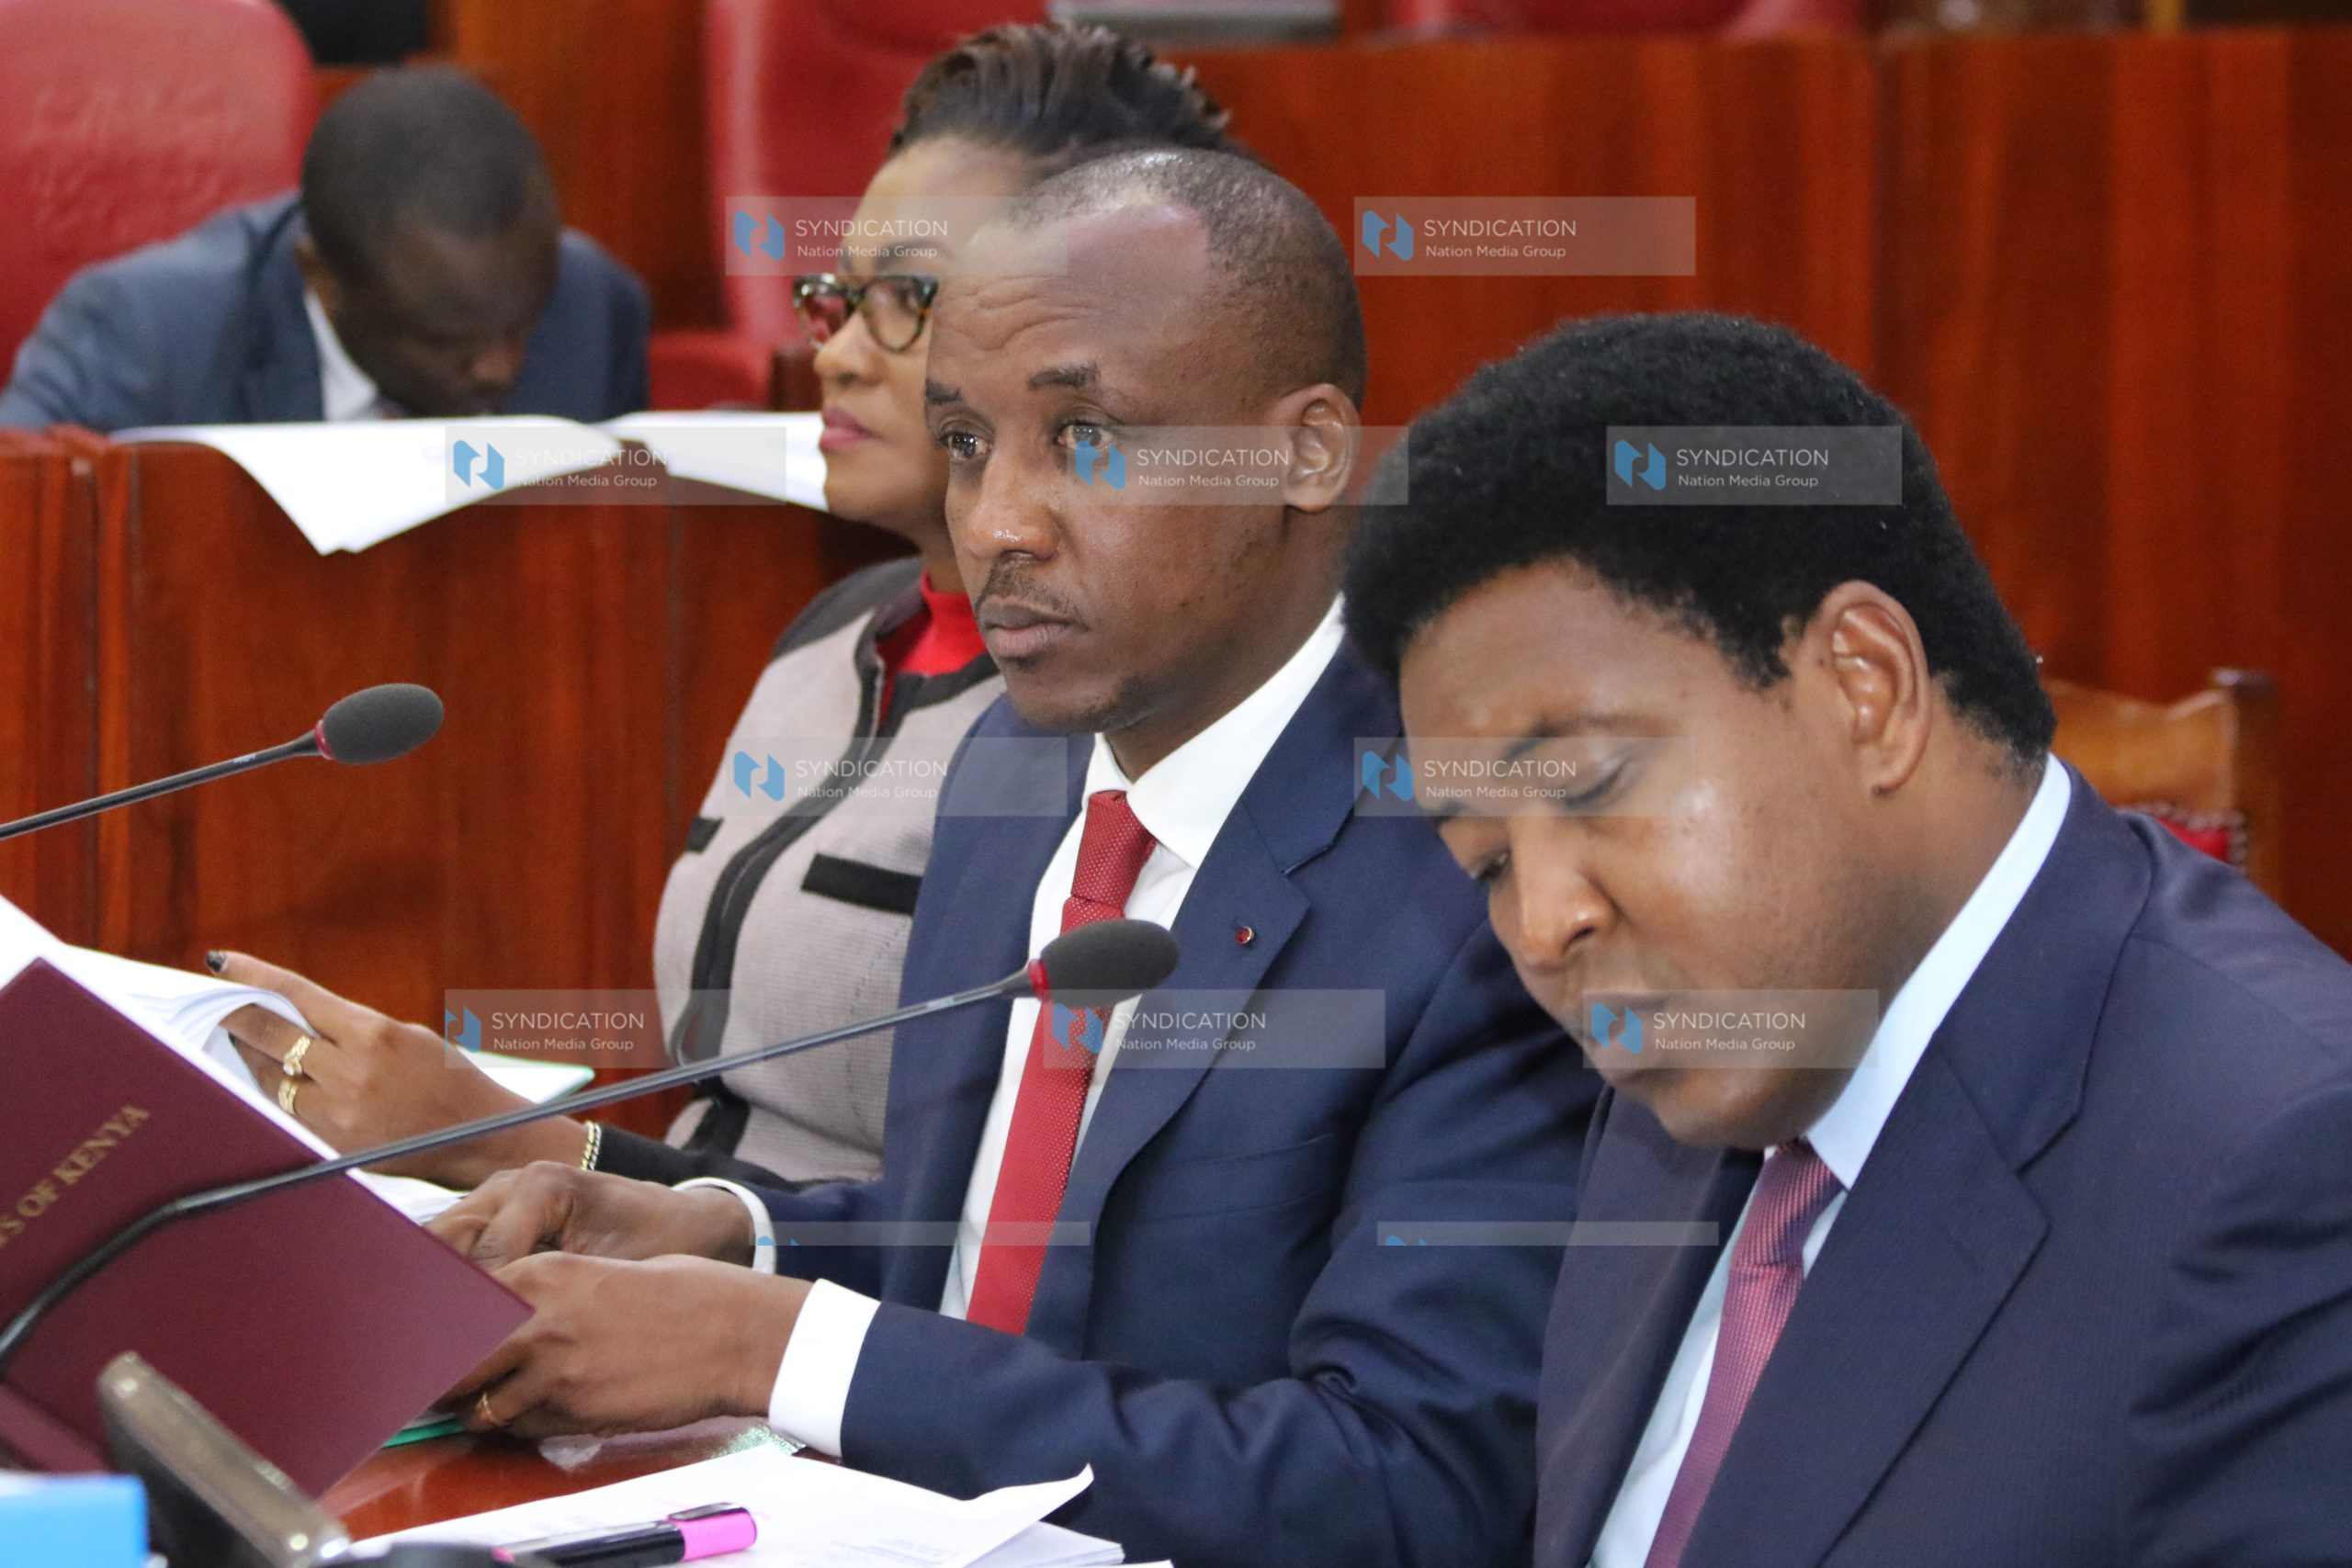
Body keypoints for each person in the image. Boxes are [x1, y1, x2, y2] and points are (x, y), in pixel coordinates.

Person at [422, 149, 1592, 1568]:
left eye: (1085, 439)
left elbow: (1408, 1487)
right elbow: (995, 1268)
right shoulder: (1016, 765)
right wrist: (715, 1237)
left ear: (1306, 452)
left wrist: (770, 1344)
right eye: (969, 443)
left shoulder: (1464, 871)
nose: (999, 524)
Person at [1340, 310, 2352, 1567]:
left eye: (1594, 783)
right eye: (1487, 860)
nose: (1546, 924)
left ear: (1865, 687)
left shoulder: (2289, 1161)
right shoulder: (1682, 1079)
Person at [208, 24, 1245, 1191]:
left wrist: (508, 1139)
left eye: (904, 299)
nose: (838, 356)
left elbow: (968, 1245)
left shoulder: (1114, 713)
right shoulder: (834, 633)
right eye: (834, 299)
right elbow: (724, 1125)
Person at [0, 67, 645, 431]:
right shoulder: (148, 335)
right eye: (454, 344)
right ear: (320, 275)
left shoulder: (594, 302)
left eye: (523, 324)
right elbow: (22, 527)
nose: (500, 367)